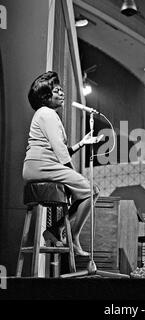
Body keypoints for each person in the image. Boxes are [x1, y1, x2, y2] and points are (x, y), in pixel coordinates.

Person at [23, 71, 102, 256]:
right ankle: (72, 236)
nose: (62, 93)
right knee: (91, 190)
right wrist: (75, 177)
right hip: (41, 166)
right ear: (46, 96)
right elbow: (59, 151)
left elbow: (59, 150)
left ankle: (55, 230)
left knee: (84, 190)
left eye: (61, 90)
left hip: (40, 165)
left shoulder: (46, 114)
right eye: (57, 91)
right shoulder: (47, 113)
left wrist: (81, 144)